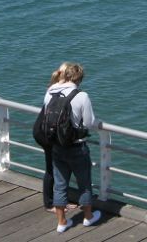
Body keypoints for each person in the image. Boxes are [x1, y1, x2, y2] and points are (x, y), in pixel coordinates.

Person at [44, 61, 101, 233]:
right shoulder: (81, 96)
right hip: (76, 147)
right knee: (84, 183)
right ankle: (88, 217)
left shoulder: (50, 92)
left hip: (57, 146)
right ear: (79, 78)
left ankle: (62, 222)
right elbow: (89, 123)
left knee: (60, 184)